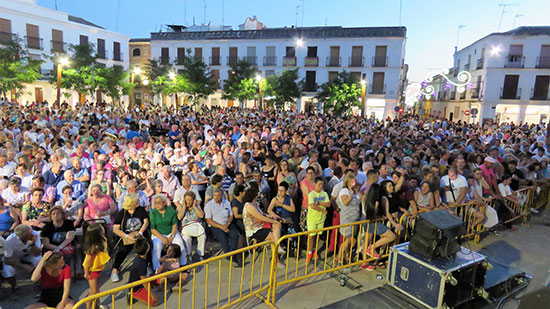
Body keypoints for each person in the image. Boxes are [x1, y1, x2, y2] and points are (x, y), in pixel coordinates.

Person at [111, 193, 149, 283]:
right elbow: (115, 229)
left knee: (146, 247)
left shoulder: (141, 210)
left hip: (139, 234)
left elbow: (146, 222)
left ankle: (147, 267)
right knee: (122, 250)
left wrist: (140, 233)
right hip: (126, 235)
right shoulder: (122, 213)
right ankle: (115, 269)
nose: (139, 201)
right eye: (137, 200)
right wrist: (127, 236)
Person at [242, 188, 285, 266]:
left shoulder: (255, 204)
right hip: (254, 230)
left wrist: (272, 217)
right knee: (273, 238)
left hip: (261, 226)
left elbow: (263, 214)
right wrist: (273, 221)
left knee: (277, 225)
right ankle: (277, 258)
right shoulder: (249, 206)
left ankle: (277, 249)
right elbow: (260, 217)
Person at [360, 183, 396, 271]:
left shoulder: (365, 197)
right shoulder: (376, 202)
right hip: (372, 221)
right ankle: (372, 248)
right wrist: (381, 217)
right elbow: (372, 216)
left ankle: (364, 262)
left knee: (367, 240)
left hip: (364, 219)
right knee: (391, 236)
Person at [204, 188, 242, 266]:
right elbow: (209, 220)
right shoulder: (209, 205)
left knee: (234, 235)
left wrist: (227, 224)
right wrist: (221, 227)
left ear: (221, 195)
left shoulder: (227, 203)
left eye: (218, 195)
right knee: (223, 237)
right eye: (215, 195)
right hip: (215, 226)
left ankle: (230, 255)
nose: (216, 197)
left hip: (227, 223)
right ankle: (231, 256)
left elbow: (231, 216)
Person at [149, 194, 187, 271]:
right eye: (155, 202)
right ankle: (156, 267)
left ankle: (183, 264)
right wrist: (162, 238)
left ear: (164, 203)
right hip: (158, 234)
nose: (157, 204)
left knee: (180, 243)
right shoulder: (153, 212)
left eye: (159, 202)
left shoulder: (170, 210)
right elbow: (152, 229)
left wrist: (172, 236)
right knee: (157, 245)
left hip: (171, 232)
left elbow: (174, 224)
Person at [3, 225, 42, 290]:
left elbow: (37, 253)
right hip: (14, 259)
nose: (32, 234)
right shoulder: (10, 240)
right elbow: (7, 259)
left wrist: (32, 244)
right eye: (30, 234)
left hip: (29, 255)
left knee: (39, 260)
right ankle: (14, 287)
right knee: (7, 270)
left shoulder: (35, 234)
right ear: (22, 237)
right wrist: (23, 266)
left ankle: (40, 282)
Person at [126, 237, 160, 306]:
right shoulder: (141, 263)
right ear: (147, 249)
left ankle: (152, 289)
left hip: (147, 278)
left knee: (162, 279)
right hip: (137, 287)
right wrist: (152, 294)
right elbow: (144, 281)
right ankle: (133, 295)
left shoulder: (142, 257)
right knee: (155, 302)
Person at [83, 223, 110, 309]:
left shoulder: (102, 241)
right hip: (91, 270)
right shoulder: (94, 248)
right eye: (102, 229)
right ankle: (88, 307)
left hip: (97, 269)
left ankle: (97, 305)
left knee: (97, 289)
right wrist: (86, 273)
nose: (104, 229)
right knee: (93, 291)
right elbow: (88, 262)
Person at [337, 174, 362, 265]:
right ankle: (339, 257)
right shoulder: (344, 191)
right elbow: (345, 202)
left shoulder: (356, 192)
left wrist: (358, 192)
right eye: (352, 182)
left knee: (351, 240)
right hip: (347, 219)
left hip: (355, 219)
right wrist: (351, 194)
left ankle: (347, 255)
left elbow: (362, 201)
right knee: (348, 239)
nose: (354, 184)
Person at [306, 177, 330, 264]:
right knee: (311, 236)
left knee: (318, 236)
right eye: (319, 184)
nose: (321, 186)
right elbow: (312, 205)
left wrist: (319, 203)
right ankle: (309, 253)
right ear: (315, 184)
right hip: (312, 219)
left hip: (321, 219)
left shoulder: (324, 194)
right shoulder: (311, 194)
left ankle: (314, 250)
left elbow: (328, 204)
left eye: (322, 184)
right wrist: (322, 210)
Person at [177, 191, 206, 261]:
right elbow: (179, 217)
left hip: (196, 225)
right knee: (186, 238)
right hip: (186, 227)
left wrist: (195, 207)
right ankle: (189, 254)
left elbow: (201, 216)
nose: (188, 202)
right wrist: (184, 207)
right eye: (187, 200)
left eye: (190, 200)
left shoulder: (196, 206)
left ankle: (200, 254)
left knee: (203, 236)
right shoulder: (181, 207)